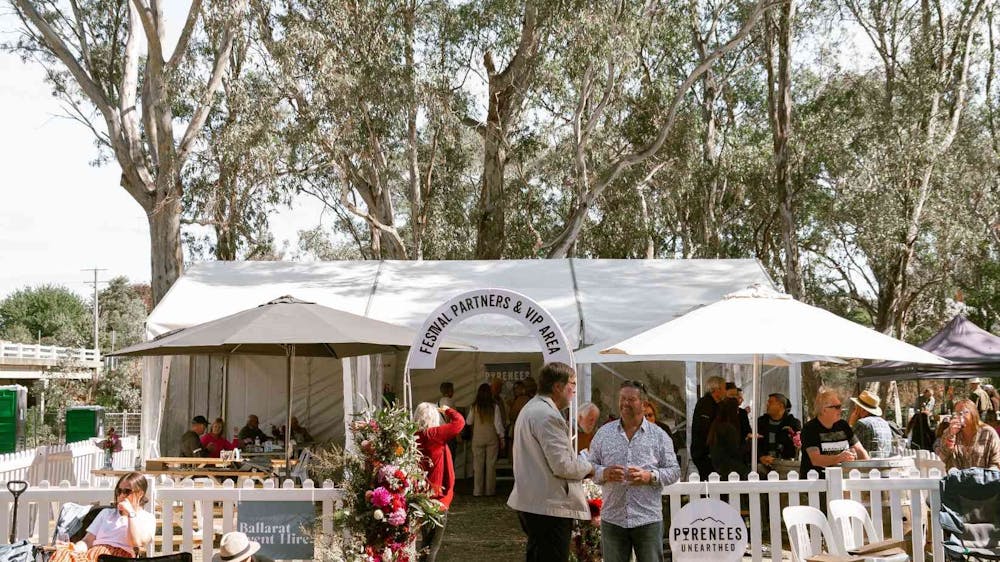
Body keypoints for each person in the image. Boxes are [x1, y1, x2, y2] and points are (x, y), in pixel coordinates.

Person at [508, 362, 594, 562]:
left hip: (535, 501)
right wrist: (591, 467)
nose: (574, 389)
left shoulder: (533, 408)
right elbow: (562, 466)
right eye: (572, 383)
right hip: (548, 505)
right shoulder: (547, 415)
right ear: (557, 387)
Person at [589, 380, 680, 562]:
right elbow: (590, 467)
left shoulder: (659, 436)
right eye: (622, 398)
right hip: (613, 519)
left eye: (631, 399)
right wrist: (604, 473)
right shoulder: (603, 434)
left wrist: (650, 476)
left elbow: (674, 471)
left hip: (647, 519)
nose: (625, 403)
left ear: (644, 404)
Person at [51, 472, 155, 561]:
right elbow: (87, 541)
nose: (122, 495)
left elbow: (135, 542)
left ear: (140, 494)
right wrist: (73, 548)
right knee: (61, 554)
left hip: (118, 558)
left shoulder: (147, 518)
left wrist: (130, 514)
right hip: (93, 555)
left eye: (127, 491)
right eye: (119, 491)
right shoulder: (106, 513)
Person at [415, 402, 465, 562]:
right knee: (432, 545)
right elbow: (459, 422)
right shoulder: (434, 434)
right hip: (438, 498)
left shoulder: (415, 436)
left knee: (426, 541)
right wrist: (447, 410)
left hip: (420, 496)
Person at [800, 389, 869, 478]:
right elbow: (816, 459)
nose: (841, 410)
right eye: (837, 407)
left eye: (840, 406)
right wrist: (840, 457)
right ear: (824, 410)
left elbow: (860, 451)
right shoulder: (810, 428)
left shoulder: (843, 425)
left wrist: (870, 471)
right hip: (816, 485)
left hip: (842, 482)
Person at [935, 398, 1000, 470]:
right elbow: (943, 457)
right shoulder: (950, 432)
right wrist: (951, 435)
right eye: (956, 412)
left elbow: (996, 461)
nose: (959, 416)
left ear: (973, 413)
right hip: (958, 479)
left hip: (983, 479)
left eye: (963, 412)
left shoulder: (988, 433)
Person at [467, 382, 505, 496]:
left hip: (478, 438)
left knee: (477, 466)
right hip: (491, 438)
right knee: (491, 466)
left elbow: (468, 421)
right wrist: (502, 438)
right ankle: (490, 491)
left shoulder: (474, 406)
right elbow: (498, 425)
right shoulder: (495, 406)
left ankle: (477, 491)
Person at [691, 376, 726, 478]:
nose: (725, 391)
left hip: (711, 452)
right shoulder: (705, 404)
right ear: (716, 389)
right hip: (704, 453)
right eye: (723, 388)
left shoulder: (718, 405)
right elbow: (704, 429)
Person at [708, 398, 751, 479]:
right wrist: (749, 441)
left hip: (719, 466)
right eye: (737, 410)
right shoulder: (729, 429)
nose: (738, 412)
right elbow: (735, 452)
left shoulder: (715, 426)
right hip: (730, 468)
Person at [757, 393, 801, 468]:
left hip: (785, 464)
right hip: (763, 463)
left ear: (780, 405)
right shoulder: (761, 422)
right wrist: (761, 457)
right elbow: (754, 443)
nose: (767, 405)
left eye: (770, 402)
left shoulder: (793, 423)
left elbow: (797, 444)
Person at [848, 390, 894, 458]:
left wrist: (851, 424)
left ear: (863, 410)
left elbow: (845, 447)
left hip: (865, 467)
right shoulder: (885, 423)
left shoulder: (862, 423)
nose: (854, 410)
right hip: (883, 466)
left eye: (856, 408)